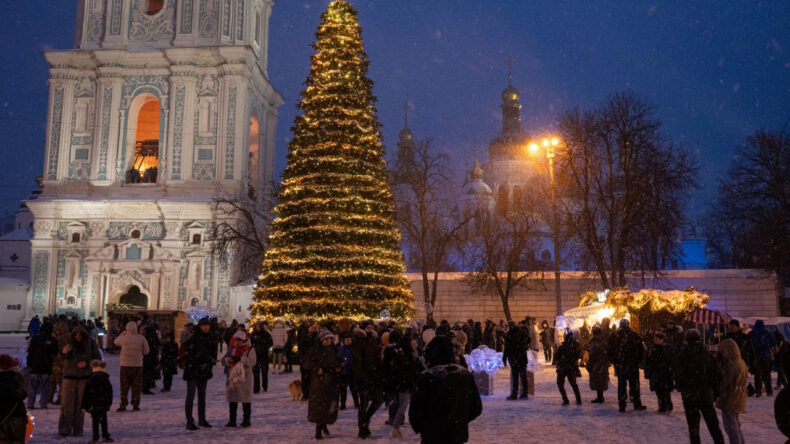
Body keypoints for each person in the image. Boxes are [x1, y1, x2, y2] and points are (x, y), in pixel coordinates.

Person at [409, 335, 482, 444]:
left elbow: (416, 411)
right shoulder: (464, 375)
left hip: (433, 436)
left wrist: (425, 427)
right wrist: (459, 421)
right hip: (456, 435)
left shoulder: (427, 377)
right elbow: (476, 407)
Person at [675, 329, 725, 444]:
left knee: (693, 427)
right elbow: (716, 375)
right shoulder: (707, 355)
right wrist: (716, 392)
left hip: (689, 396)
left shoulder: (682, 356)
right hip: (705, 394)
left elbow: (678, 375)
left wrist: (682, 388)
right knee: (713, 425)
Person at [58, 325, 101, 438]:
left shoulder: (90, 344)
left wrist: (87, 364)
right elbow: (60, 358)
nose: (77, 336)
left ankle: (78, 429)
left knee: (80, 406)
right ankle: (64, 429)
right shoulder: (68, 343)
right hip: (69, 377)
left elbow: (97, 359)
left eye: (80, 334)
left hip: (84, 378)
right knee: (67, 405)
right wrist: (64, 352)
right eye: (75, 334)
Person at [304, 329, 340, 440]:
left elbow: (338, 361)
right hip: (319, 382)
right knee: (319, 406)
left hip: (332, 381)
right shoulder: (315, 350)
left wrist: (339, 367)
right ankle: (318, 429)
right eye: (326, 339)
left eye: (330, 339)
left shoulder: (334, 349)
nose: (328, 341)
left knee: (329, 405)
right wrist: (316, 368)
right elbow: (306, 362)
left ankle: (324, 425)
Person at [181, 317, 216, 430]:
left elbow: (211, 352)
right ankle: (189, 421)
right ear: (200, 326)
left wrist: (210, 360)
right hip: (193, 370)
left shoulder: (209, 338)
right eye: (204, 325)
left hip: (203, 370)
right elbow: (188, 353)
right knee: (190, 396)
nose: (207, 327)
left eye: (208, 325)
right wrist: (197, 362)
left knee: (202, 396)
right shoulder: (194, 338)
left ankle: (202, 419)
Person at [388, 334, 423, 438]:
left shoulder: (415, 354)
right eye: (412, 343)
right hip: (405, 385)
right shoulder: (401, 356)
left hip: (414, 384)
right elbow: (400, 371)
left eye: (415, 343)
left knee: (417, 408)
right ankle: (396, 428)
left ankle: (420, 429)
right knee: (402, 407)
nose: (415, 345)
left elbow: (418, 368)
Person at [353, 321, 383, 439]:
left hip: (374, 376)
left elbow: (377, 357)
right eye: (367, 327)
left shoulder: (374, 339)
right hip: (363, 376)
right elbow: (357, 360)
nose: (370, 329)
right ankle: (362, 428)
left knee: (378, 400)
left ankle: (366, 420)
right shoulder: (358, 340)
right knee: (364, 403)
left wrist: (379, 370)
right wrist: (361, 376)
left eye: (371, 327)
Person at [608, 319, 646, 412]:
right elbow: (640, 350)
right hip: (632, 365)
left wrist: (615, 361)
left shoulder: (615, 336)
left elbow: (610, 350)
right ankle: (636, 403)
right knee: (634, 384)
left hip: (621, 365)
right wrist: (638, 361)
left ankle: (622, 404)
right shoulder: (634, 335)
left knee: (621, 385)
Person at [222, 330, 256, 428]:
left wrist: (240, 360)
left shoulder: (249, 349)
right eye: (236, 340)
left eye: (239, 340)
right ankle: (232, 420)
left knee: (245, 399)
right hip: (233, 378)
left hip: (245, 378)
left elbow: (252, 361)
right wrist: (227, 360)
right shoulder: (231, 349)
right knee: (233, 400)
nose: (237, 342)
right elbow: (223, 360)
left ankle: (246, 420)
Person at [716, 338, 748, 444]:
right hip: (739, 396)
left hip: (730, 397)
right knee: (735, 424)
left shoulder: (730, 364)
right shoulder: (740, 361)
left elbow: (725, 382)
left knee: (731, 425)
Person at [114, 320, 149, 411]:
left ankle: (123, 404)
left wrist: (123, 333)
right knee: (136, 386)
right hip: (137, 365)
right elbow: (146, 351)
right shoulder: (141, 338)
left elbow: (116, 342)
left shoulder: (123, 338)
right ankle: (135, 404)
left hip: (125, 365)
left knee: (124, 386)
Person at [26, 320, 58, 410]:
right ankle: (43, 404)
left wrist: (29, 364)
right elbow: (56, 352)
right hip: (46, 367)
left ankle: (30, 404)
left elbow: (30, 352)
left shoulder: (35, 339)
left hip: (35, 366)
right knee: (45, 387)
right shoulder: (53, 340)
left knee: (32, 387)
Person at [81, 360, 113, 444]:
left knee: (95, 421)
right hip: (103, 402)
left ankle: (95, 437)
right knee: (103, 419)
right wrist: (109, 403)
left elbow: (86, 393)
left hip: (94, 403)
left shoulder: (90, 379)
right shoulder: (105, 379)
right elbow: (110, 392)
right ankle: (105, 435)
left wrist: (84, 405)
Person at [645, 331, 675, 413]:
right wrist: (648, 371)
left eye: (657, 338)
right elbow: (648, 360)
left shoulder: (667, 348)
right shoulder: (652, 348)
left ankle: (667, 405)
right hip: (655, 373)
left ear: (662, 340)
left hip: (665, 373)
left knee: (665, 390)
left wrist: (670, 369)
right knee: (658, 390)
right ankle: (662, 406)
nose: (655, 340)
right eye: (655, 338)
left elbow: (672, 360)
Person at [0, 354, 27, 443]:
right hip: (17, 414)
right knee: (17, 440)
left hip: (2, 417)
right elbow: (23, 393)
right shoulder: (17, 377)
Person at [503, 320, 529, 400]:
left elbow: (507, 348)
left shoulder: (511, 334)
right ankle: (522, 393)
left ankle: (517, 393)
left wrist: (505, 357)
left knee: (518, 376)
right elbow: (528, 340)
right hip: (518, 357)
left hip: (516, 357)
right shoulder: (518, 333)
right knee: (520, 376)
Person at [748, 319, 775, 397]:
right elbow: (773, 345)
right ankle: (769, 390)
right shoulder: (768, 334)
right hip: (767, 356)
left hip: (756, 356)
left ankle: (758, 391)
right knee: (767, 374)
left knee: (757, 374)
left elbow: (748, 343)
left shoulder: (752, 334)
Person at [555, 332, 582, 405]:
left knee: (560, 384)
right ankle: (578, 400)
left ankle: (566, 399)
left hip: (563, 367)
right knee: (573, 384)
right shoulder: (576, 347)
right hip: (571, 367)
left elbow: (556, 357)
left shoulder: (563, 347)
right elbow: (578, 356)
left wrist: (561, 361)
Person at [585, 326, 610, 403]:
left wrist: (590, 363)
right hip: (602, 363)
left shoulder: (594, 341)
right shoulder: (603, 340)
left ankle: (600, 397)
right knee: (601, 380)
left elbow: (592, 353)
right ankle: (600, 396)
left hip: (596, 363)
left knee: (597, 380)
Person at [250, 322, 273, 393]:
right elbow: (250, 343)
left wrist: (264, 347)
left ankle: (264, 386)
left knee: (264, 372)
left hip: (264, 355)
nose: (257, 327)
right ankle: (256, 388)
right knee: (256, 372)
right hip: (255, 355)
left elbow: (270, 343)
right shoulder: (253, 334)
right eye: (256, 326)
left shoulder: (266, 334)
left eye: (258, 326)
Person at [299, 324, 319, 401]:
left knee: (310, 379)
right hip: (307, 362)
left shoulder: (317, 338)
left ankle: (309, 394)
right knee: (306, 379)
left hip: (310, 362)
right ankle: (306, 394)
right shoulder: (306, 338)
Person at [339, 334, 358, 410]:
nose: (348, 341)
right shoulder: (340, 349)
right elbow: (338, 358)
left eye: (349, 340)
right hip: (343, 372)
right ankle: (343, 404)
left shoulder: (353, 348)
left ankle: (356, 403)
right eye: (346, 340)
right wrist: (341, 363)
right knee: (343, 389)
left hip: (352, 371)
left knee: (354, 389)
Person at [142, 322, 161, 394]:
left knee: (146, 372)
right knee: (150, 372)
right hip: (151, 356)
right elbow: (157, 344)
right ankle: (148, 385)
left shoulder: (145, 336)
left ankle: (145, 385)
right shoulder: (153, 336)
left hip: (146, 356)